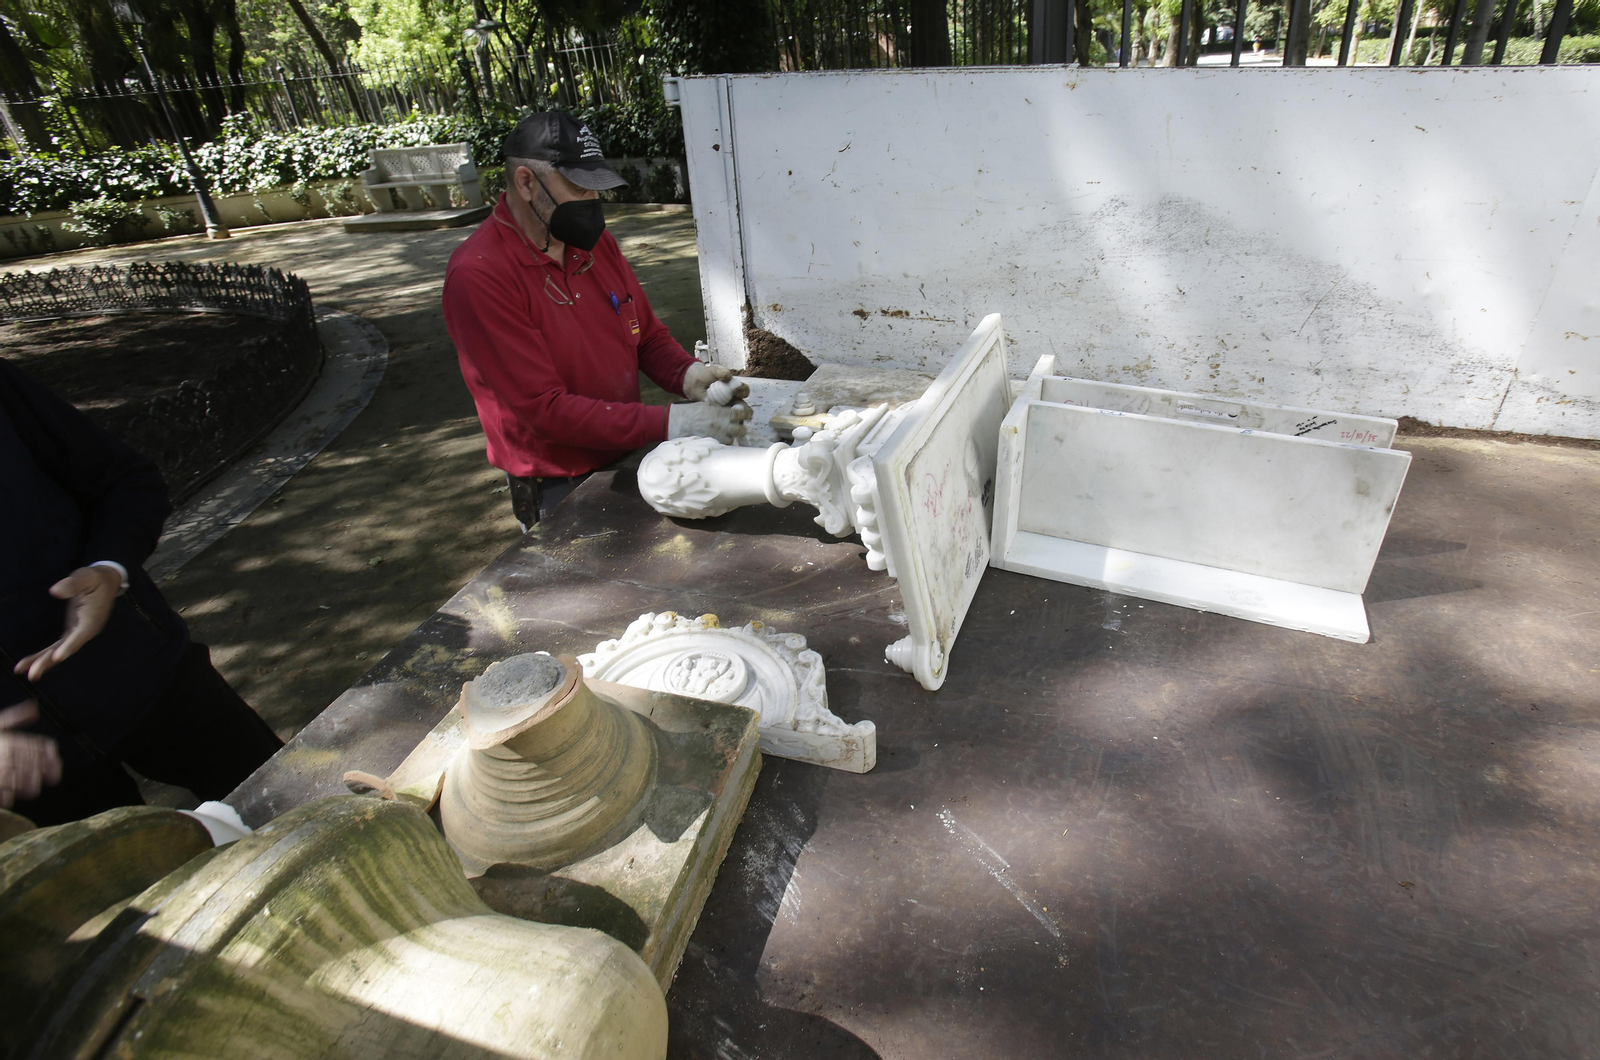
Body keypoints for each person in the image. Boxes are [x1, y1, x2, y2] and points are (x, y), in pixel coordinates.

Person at [0, 357, 282, 825]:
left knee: (296, 815)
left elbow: (127, 481)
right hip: (35, 778)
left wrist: (108, 569)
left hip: (151, 677)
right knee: (142, 894)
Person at [443, 111, 750, 531]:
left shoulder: (592, 244)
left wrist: (687, 374)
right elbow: (544, 410)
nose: (592, 202)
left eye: (596, 188)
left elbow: (642, 335)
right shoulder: (480, 275)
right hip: (556, 480)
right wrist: (672, 421)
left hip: (626, 451)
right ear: (526, 183)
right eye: (578, 187)